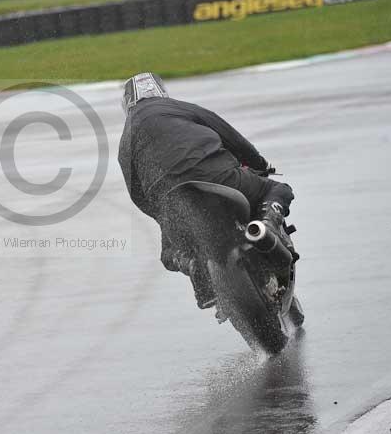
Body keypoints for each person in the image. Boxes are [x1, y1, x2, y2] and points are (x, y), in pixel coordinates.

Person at [118, 72, 295, 309]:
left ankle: (193, 264)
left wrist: (162, 214)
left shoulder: (124, 142)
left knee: (168, 255)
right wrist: (260, 164)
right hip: (219, 177)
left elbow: (137, 196)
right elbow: (232, 138)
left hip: (172, 202)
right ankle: (268, 224)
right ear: (161, 91)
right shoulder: (181, 108)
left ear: (126, 104)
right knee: (278, 188)